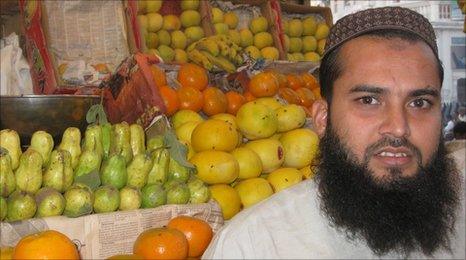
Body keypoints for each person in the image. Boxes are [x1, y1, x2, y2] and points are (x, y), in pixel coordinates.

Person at [203, 7, 465, 259]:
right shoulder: (252, 246)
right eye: (369, 101)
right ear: (322, 118)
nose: (398, 127)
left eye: (419, 103)